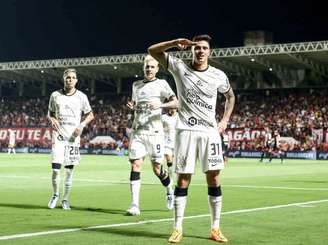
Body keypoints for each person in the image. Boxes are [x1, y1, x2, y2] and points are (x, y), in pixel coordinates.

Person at [148, 35, 235, 243]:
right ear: (191, 51)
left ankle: (215, 228)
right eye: (197, 48)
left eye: (204, 48)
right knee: (183, 179)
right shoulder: (179, 67)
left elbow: (230, 96)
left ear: (209, 52)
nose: (201, 51)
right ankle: (177, 228)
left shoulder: (218, 75)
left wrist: (224, 121)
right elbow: (152, 51)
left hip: (210, 133)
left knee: (214, 177)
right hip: (186, 131)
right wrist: (173, 43)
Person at [126, 55, 178, 216]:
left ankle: (169, 189)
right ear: (143, 68)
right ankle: (135, 204)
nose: (149, 69)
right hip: (138, 132)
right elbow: (136, 105)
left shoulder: (162, 84)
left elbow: (176, 102)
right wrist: (132, 106)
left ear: (157, 69)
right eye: (147, 66)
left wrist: (161, 104)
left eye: (152, 67)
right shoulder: (136, 85)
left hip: (155, 133)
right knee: (136, 165)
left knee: (157, 169)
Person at [47, 68, 94, 210]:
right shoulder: (55, 95)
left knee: (68, 171)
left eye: (73, 77)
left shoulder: (82, 97)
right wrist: (52, 119)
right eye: (68, 77)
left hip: (73, 138)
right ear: (64, 79)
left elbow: (90, 114)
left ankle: (65, 199)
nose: (71, 80)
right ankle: (55, 194)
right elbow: (50, 113)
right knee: (55, 169)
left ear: (76, 80)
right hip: (59, 136)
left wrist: (82, 125)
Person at [161, 105, 178, 177]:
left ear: (176, 108)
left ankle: (177, 172)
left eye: (172, 108)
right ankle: (170, 171)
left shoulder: (180, 117)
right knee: (168, 157)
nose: (171, 109)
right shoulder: (163, 117)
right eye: (170, 108)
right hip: (167, 141)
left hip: (177, 141)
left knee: (177, 159)